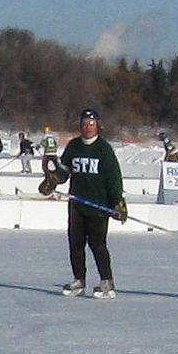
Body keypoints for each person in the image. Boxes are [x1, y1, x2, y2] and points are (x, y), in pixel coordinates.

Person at [38, 109, 127, 299]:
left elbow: (113, 178)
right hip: (77, 203)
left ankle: (107, 282)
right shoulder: (73, 146)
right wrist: (52, 180)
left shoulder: (104, 149)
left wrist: (118, 202)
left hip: (98, 206)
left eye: (91, 124)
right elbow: (64, 170)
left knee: (97, 244)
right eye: (85, 123)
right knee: (75, 243)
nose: (87, 127)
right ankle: (79, 279)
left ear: (98, 126)